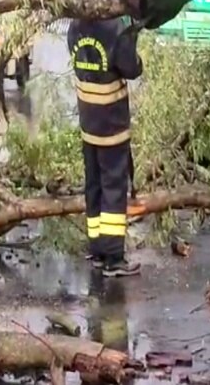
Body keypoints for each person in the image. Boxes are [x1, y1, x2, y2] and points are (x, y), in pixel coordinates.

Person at [67, 15, 143, 277]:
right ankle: (113, 257)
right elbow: (132, 68)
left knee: (94, 184)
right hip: (111, 122)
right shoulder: (115, 27)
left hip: (88, 121)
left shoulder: (76, 24)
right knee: (113, 186)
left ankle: (97, 248)